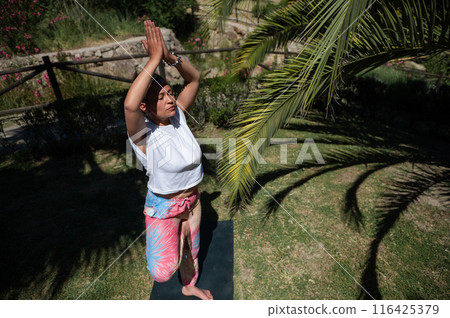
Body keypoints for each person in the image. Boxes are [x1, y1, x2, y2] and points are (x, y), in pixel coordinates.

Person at [124, 20, 213, 300]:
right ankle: (174, 235)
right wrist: (152, 60)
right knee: (162, 272)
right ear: (145, 107)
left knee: (192, 253)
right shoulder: (143, 136)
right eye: (161, 97)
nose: (170, 99)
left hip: (193, 200)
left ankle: (189, 285)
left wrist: (169, 57)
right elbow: (128, 105)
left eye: (170, 93)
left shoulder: (179, 117)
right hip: (164, 206)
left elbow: (195, 79)